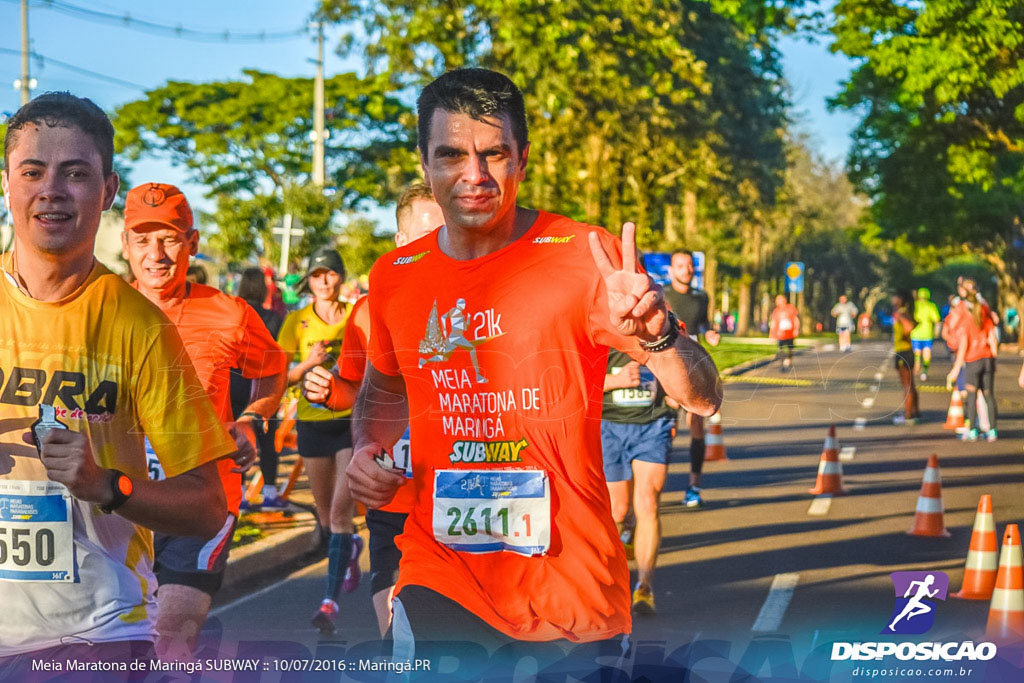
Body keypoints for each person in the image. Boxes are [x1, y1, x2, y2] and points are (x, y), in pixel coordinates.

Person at [345, 68, 721, 655]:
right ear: (424, 162)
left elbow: (702, 396)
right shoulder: (395, 277)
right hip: (439, 574)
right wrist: (369, 448)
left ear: (522, 158)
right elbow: (384, 388)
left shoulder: (583, 257)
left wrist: (658, 335)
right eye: (450, 155)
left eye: (493, 154)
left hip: (571, 590)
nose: (474, 176)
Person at [0, 93, 236, 669]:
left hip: (94, 636)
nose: (51, 189)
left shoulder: (142, 327)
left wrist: (106, 484)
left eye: (75, 173)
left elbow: (208, 507)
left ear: (107, 190)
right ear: (8, 182)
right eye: (33, 171)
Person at [121, 183, 288, 658]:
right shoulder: (102, 309)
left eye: (170, 238)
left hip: (202, 500)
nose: (156, 254)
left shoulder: (228, 313)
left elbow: (272, 369)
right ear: (125, 244)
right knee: (115, 644)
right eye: (142, 238)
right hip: (117, 502)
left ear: (192, 243)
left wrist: (252, 419)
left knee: (170, 634)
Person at [303, 182, 445, 635]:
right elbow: (360, 395)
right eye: (424, 238)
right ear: (401, 243)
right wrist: (328, 391)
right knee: (396, 638)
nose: (437, 248)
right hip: (395, 496)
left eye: (446, 234)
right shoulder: (369, 308)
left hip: (464, 496)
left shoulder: (484, 301)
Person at [277, 248, 361, 630]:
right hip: (312, 426)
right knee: (327, 516)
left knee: (342, 513)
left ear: (341, 277)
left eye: (330, 274)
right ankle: (350, 549)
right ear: (308, 281)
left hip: (347, 422)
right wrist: (309, 364)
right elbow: (280, 377)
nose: (324, 282)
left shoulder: (357, 316)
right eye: (316, 275)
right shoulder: (296, 322)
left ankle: (329, 602)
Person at [600, 349, 677, 615]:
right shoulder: (599, 327)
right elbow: (573, 381)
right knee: (618, 510)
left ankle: (644, 588)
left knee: (648, 503)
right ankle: (607, 584)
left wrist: (678, 395)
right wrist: (615, 381)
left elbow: (685, 369)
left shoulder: (662, 327)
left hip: (653, 425)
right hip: (609, 425)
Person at [662, 250, 720, 508]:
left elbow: (704, 324)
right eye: (680, 265)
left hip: (694, 366)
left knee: (696, 424)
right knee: (665, 428)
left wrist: (710, 334)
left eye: (689, 265)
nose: (686, 270)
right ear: (671, 270)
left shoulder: (701, 296)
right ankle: (654, 485)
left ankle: (694, 485)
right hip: (666, 367)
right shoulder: (662, 295)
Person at [230, 267, 287, 509]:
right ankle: (270, 493)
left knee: (236, 438)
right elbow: (281, 354)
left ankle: (239, 493)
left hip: (235, 383)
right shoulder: (273, 318)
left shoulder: (232, 315)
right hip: (264, 385)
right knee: (267, 439)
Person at [946, 289, 998, 442]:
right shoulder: (986, 320)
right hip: (987, 360)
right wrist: (993, 362)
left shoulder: (966, 323)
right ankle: (992, 431)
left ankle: (973, 430)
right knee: (988, 395)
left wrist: (954, 371)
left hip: (972, 361)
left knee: (971, 395)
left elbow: (962, 348)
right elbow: (993, 343)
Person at [891, 291, 921, 425]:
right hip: (904, 351)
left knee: (907, 385)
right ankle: (915, 411)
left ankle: (909, 414)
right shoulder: (905, 312)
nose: (892, 299)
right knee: (910, 385)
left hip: (903, 351)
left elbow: (909, 327)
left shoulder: (901, 313)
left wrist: (901, 320)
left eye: (895, 297)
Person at [911, 287, 940, 381]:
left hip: (915, 333)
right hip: (927, 333)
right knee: (927, 352)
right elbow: (936, 320)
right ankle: (924, 370)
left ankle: (917, 366)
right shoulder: (931, 306)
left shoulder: (914, 305)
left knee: (917, 353)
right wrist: (936, 332)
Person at [769, 294, 800, 371]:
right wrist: (772, 334)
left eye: (779, 300)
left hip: (790, 333)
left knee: (790, 349)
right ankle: (782, 363)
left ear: (784, 300)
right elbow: (773, 322)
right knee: (780, 349)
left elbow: (796, 319)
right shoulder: (776, 311)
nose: (778, 302)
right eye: (777, 300)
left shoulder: (791, 308)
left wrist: (796, 329)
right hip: (780, 334)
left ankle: (789, 359)